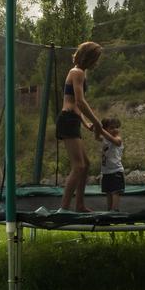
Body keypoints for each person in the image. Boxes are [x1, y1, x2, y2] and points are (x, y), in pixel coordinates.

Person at [56, 41, 104, 211]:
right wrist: (96, 121)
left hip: (73, 119)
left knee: (86, 164)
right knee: (79, 166)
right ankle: (63, 209)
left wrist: (85, 123)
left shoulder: (81, 72)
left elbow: (76, 105)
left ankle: (80, 205)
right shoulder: (77, 72)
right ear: (89, 57)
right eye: (96, 58)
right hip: (67, 120)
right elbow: (79, 102)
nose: (97, 62)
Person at [97, 117, 125, 211]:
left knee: (115, 192)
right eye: (112, 128)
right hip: (106, 172)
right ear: (106, 129)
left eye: (117, 127)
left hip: (116, 170)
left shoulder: (118, 139)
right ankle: (109, 211)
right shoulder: (105, 139)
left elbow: (115, 141)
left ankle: (115, 210)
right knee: (108, 192)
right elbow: (97, 137)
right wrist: (96, 128)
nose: (115, 129)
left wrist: (100, 130)